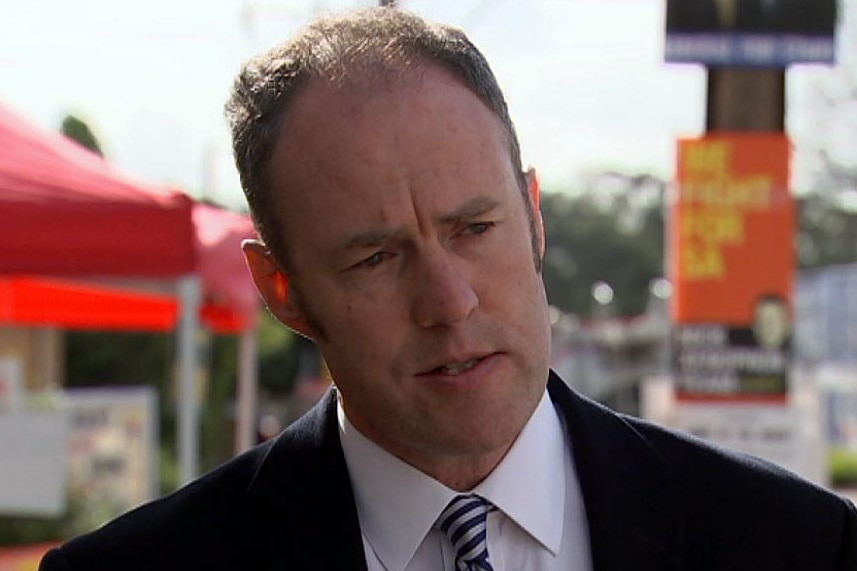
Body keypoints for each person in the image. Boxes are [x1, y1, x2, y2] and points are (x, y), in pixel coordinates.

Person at [41, 7, 855, 571]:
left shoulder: (792, 544)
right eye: (376, 258)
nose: (449, 300)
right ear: (281, 290)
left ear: (532, 216)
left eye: (474, 228)